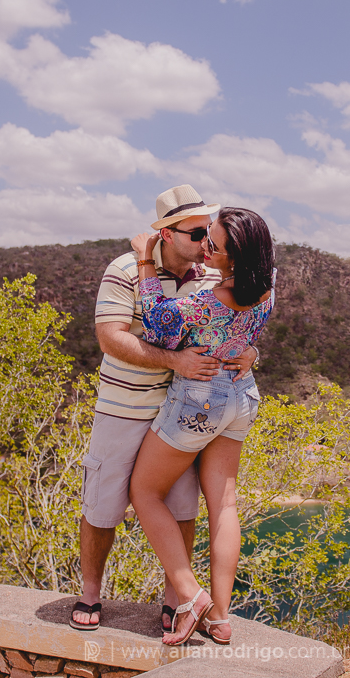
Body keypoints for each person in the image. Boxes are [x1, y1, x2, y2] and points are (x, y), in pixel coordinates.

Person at [72, 186, 258, 632]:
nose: (205, 244)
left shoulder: (212, 275)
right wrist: (174, 360)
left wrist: (251, 352)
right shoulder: (123, 270)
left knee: (180, 507)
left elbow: (232, 324)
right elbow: (111, 337)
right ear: (166, 235)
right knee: (102, 506)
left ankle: (178, 600)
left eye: (208, 234)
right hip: (124, 406)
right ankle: (91, 594)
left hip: (180, 410)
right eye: (196, 234)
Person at [129, 207, 275, 647]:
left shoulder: (204, 304)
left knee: (144, 492)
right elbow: (248, 333)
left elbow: (157, 326)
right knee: (224, 504)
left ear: (235, 259)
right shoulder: (266, 289)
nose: (205, 248)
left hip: (201, 400)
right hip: (242, 395)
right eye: (204, 237)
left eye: (213, 244)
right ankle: (221, 618)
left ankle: (191, 595)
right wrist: (248, 349)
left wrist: (144, 261)